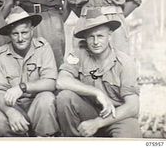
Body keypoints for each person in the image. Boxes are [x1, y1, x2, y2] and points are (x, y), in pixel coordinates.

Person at [56, 8, 141, 137]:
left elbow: (133, 107)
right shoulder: (79, 54)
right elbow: (61, 81)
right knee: (64, 97)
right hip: (89, 111)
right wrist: (97, 92)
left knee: (131, 131)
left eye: (100, 36)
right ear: (85, 38)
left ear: (109, 36)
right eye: (91, 37)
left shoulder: (125, 63)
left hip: (116, 116)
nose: (96, 42)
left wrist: (97, 123)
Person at [0, 6, 59, 137]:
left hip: (37, 103)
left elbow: (51, 83)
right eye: (15, 34)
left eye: (24, 32)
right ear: (9, 35)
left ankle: (44, 138)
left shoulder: (43, 47)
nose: (20, 38)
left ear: (32, 30)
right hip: (14, 105)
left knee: (46, 99)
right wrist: (11, 113)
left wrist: (22, 87)